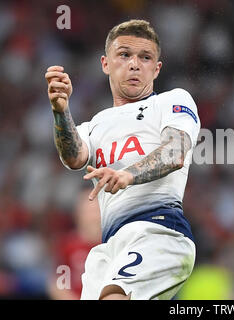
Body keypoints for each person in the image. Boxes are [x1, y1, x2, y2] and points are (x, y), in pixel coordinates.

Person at [45, 19, 200, 300]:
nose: (134, 64)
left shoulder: (171, 101)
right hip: (110, 246)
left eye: (145, 57)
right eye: (125, 55)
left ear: (157, 68)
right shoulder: (95, 124)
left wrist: (128, 174)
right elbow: (73, 156)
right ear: (105, 63)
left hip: (159, 231)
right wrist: (60, 110)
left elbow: (175, 151)